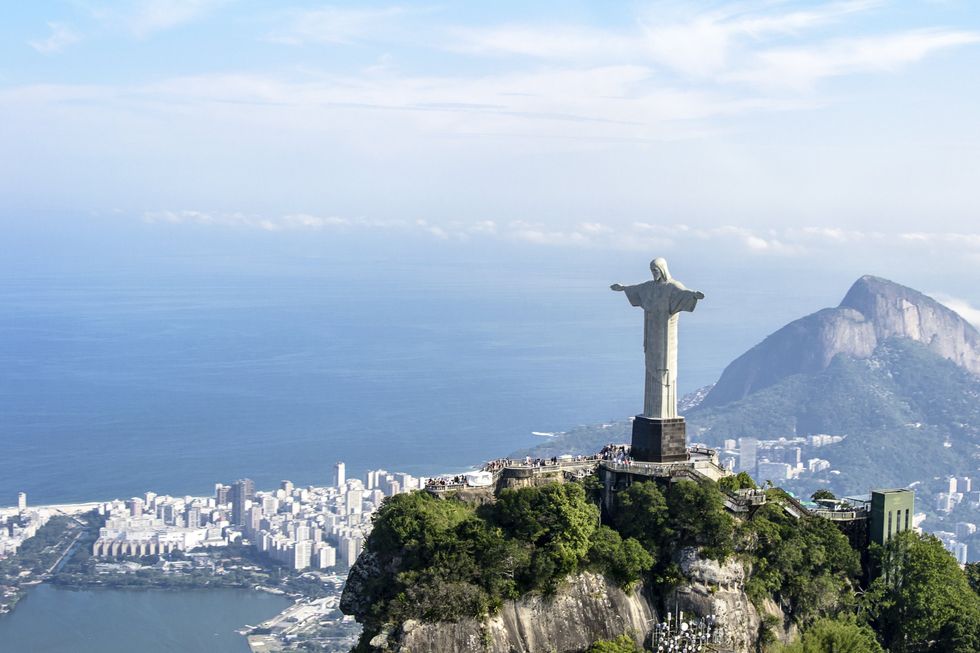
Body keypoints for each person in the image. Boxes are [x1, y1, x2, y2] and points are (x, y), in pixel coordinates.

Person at [611, 258, 704, 419]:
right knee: (652, 365)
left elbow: (684, 293)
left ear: (663, 269)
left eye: (655, 270)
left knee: (665, 366)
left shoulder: (672, 286)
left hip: (666, 336)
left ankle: (665, 413)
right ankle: (651, 412)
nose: (654, 273)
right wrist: (623, 288)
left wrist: (694, 295)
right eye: (652, 270)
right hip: (651, 334)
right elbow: (636, 289)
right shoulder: (649, 287)